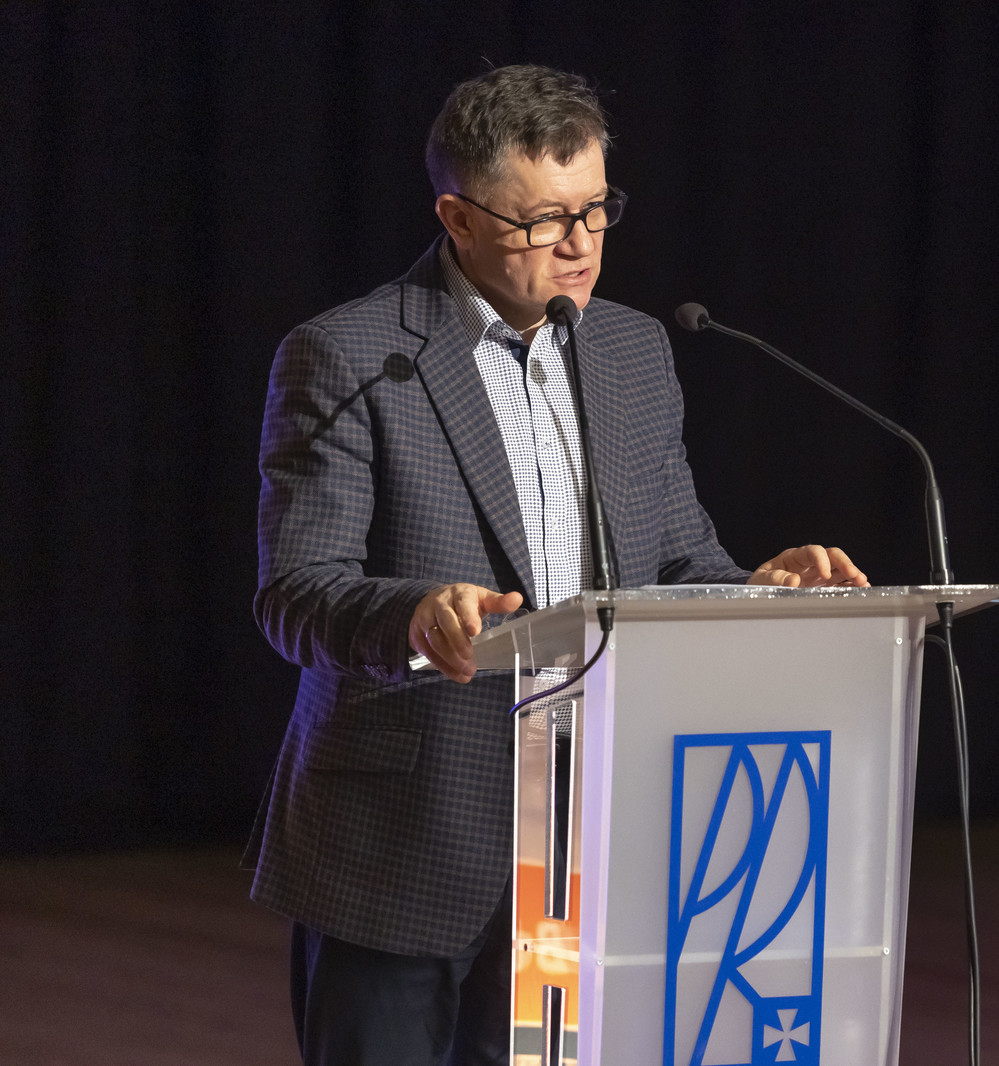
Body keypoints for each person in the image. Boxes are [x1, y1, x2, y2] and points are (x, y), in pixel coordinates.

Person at [245, 64, 866, 1066]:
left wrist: (756, 590)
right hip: (401, 840)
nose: (580, 243)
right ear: (457, 217)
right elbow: (297, 591)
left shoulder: (633, 353)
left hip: (580, 839)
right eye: (542, 220)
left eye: (596, 209)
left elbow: (674, 559)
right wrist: (416, 616)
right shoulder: (351, 354)